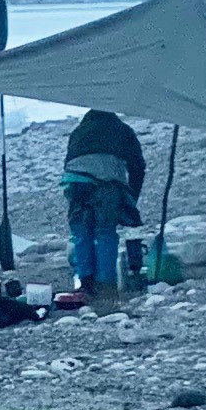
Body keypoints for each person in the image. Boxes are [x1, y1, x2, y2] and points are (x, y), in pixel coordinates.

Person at [60, 106, 148, 293]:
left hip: (76, 183)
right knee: (105, 231)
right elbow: (137, 167)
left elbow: (68, 163)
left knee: (81, 232)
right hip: (107, 185)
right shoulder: (123, 130)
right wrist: (131, 199)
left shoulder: (78, 131)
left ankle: (85, 281)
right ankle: (106, 284)